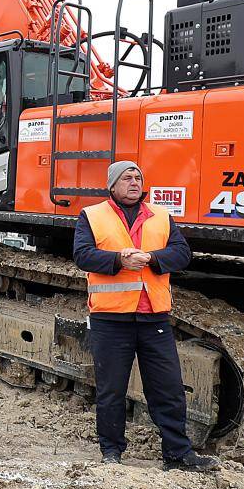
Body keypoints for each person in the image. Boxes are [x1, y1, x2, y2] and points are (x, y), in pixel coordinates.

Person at [72, 160, 219, 472]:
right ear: (112, 185)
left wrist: (152, 258)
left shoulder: (162, 217)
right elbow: (82, 255)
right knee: (111, 390)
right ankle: (111, 453)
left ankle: (178, 455)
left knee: (168, 389)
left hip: (154, 317)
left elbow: (182, 254)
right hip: (111, 319)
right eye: (127, 178)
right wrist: (119, 259)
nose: (134, 182)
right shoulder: (93, 216)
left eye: (138, 177)